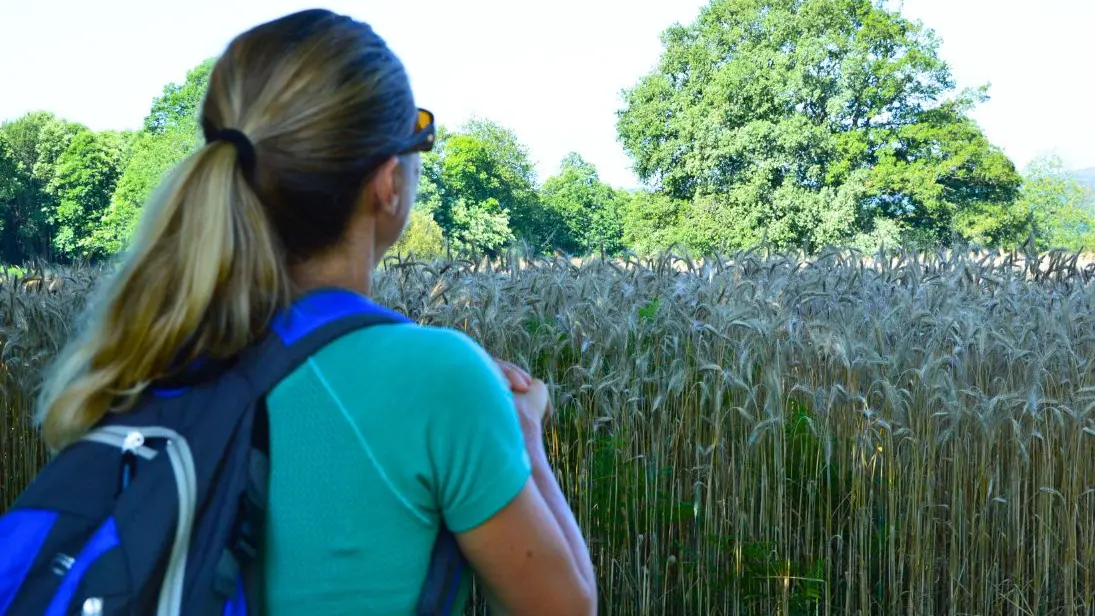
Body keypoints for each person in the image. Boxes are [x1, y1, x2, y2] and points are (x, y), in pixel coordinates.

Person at [34, 8, 597, 616]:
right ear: (388, 182)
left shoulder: (147, 352)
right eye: (420, 137)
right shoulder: (437, 377)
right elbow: (567, 608)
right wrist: (523, 431)